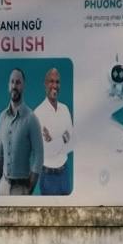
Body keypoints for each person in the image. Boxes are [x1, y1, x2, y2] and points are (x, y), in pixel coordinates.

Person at [0, 67, 43, 196]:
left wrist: (30, 188)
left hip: (21, 187)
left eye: (18, 82)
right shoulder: (2, 117)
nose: (14, 86)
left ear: (23, 86)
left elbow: (39, 155)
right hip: (3, 186)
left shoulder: (31, 118)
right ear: (8, 85)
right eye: (12, 82)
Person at [35, 64, 74, 197]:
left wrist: (54, 141)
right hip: (48, 177)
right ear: (45, 84)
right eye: (51, 81)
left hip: (65, 174)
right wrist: (63, 138)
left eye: (57, 82)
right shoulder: (38, 113)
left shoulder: (65, 109)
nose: (55, 85)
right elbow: (46, 151)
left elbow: (72, 144)